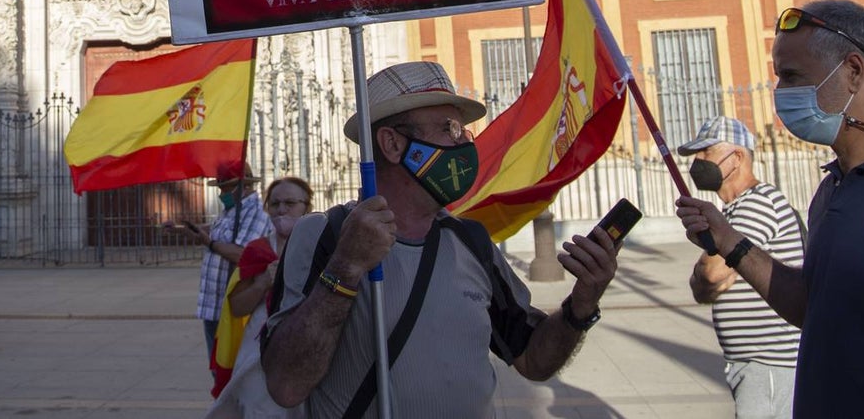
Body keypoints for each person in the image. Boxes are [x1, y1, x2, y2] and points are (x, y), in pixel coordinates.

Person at [263, 61, 619, 417]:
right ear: (392, 143)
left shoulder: (470, 241)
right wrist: (345, 267)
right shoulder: (325, 235)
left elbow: (533, 360)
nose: (464, 141)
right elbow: (286, 385)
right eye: (449, 128)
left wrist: (581, 305)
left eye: (463, 130)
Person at [677, 0, 864, 418]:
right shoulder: (832, 188)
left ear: (852, 71)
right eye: (778, 79)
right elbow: (812, 306)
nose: (780, 95)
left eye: (792, 77)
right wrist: (729, 240)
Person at [677, 116, 803, 419]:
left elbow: (711, 273)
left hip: (770, 362)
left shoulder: (757, 203)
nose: (698, 161)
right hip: (753, 363)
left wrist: (709, 272)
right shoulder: (732, 211)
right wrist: (707, 274)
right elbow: (702, 289)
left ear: (737, 157)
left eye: (706, 152)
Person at [208, 176, 312, 419]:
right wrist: (264, 281)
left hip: (306, 345)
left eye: (290, 203)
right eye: (275, 204)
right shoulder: (258, 250)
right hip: (259, 349)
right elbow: (237, 307)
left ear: (307, 206)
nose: (281, 210)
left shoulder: (320, 246)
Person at [187, 162, 271, 368]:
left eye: (226, 188)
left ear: (244, 186)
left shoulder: (256, 213)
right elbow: (217, 231)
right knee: (217, 367)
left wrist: (211, 243)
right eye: (221, 188)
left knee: (230, 368)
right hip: (213, 304)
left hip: (233, 307)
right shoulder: (231, 211)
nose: (222, 193)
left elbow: (241, 254)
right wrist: (188, 230)